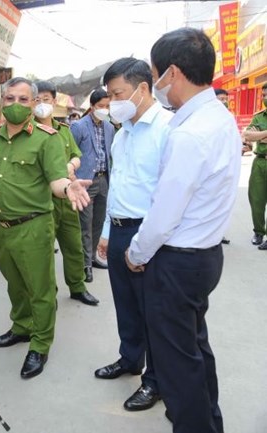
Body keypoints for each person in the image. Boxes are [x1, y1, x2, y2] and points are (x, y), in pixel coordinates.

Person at [126, 28, 241, 433]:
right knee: (194, 348)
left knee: (176, 366)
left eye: (156, 75)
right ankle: (211, 422)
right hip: (204, 257)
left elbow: (165, 212)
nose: (157, 86)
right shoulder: (219, 119)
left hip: (177, 262)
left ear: (172, 73)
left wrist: (136, 253)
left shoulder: (191, 133)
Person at [0, 77, 91, 379]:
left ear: (34, 102)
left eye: (23, 99)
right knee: (15, 284)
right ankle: (22, 327)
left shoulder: (47, 138)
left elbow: (56, 179)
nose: (15, 105)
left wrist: (69, 189)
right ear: (2, 101)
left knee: (40, 289)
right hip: (2, 228)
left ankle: (40, 343)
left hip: (34, 226)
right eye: (10, 98)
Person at [94, 57, 173, 412]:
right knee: (126, 304)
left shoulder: (168, 130)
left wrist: (143, 245)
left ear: (143, 89)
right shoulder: (122, 135)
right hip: (121, 229)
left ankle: (155, 380)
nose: (112, 103)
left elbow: (169, 198)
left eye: (117, 94)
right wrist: (108, 232)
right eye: (109, 96)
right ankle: (130, 359)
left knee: (152, 311)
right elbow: (119, 187)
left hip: (151, 234)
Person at [33, 80, 99, 307]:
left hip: (68, 198)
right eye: (38, 100)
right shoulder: (28, 132)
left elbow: (76, 154)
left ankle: (78, 287)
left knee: (73, 245)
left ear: (54, 101)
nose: (42, 104)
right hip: (43, 200)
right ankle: (48, 293)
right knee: (43, 253)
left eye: (46, 99)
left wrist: (72, 164)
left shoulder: (63, 130)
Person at [70, 88, 115, 283]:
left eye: (107, 106)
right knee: (85, 225)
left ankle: (93, 257)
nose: (104, 110)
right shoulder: (78, 127)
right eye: (100, 106)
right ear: (92, 106)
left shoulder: (110, 127)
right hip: (86, 181)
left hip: (104, 179)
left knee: (99, 222)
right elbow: (72, 154)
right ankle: (85, 264)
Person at [241, 82, 267, 250]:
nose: (265, 98)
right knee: (256, 199)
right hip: (260, 162)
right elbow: (248, 135)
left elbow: (254, 136)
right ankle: (259, 232)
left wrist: (260, 136)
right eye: (264, 95)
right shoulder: (259, 117)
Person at [214, 88, 233, 245]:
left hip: (226, 169)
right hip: (212, 169)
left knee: (222, 204)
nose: (224, 102)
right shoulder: (207, 119)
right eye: (220, 99)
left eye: (225, 99)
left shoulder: (229, 118)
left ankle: (219, 234)